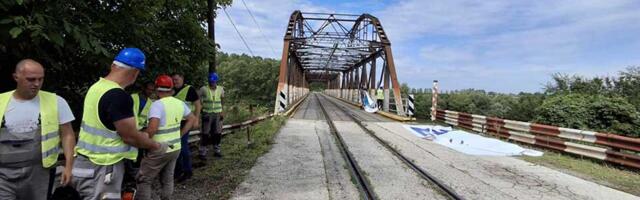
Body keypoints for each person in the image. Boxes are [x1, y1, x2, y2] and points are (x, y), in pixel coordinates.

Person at [72, 47, 166, 200]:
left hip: (84, 164)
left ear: (113, 66)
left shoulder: (96, 88)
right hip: (104, 168)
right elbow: (130, 137)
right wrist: (156, 146)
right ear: (135, 72)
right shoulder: (118, 96)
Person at [0, 59, 76, 200]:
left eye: (40, 79)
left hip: (40, 173)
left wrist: (69, 166)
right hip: (3, 175)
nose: (36, 84)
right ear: (16, 77)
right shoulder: (1, 101)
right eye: (31, 79)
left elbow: (67, 135)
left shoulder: (56, 101)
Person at [136, 75, 196, 200]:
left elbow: (152, 129)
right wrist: (181, 134)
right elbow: (192, 118)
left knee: (144, 180)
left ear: (157, 89)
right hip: (175, 148)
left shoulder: (157, 105)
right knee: (168, 179)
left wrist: (140, 139)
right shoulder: (179, 103)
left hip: (159, 149)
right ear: (171, 89)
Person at [171, 73, 201, 182]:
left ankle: (187, 171)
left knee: (182, 146)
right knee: (176, 146)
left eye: (177, 79)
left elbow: (198, 104)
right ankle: (178, 171)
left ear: (182, 78)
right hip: (174, 123)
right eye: (173, 80)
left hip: (186, 122)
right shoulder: (171, 90)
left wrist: (196, 119)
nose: (175, 82)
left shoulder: (189, 89)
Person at [198, 72, 224, 160]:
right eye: (210, 81)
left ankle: (217, 150)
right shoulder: (203, 89)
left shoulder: (220, 89)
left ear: (216, 81)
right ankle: (202, 152)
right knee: (205, 133)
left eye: (213, 81)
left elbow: (222, 100)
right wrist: (201, 109)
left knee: (217, 133)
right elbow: (198, 99)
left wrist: (222, 111)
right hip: (207, 114)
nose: (212, 83)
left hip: (217, 113)